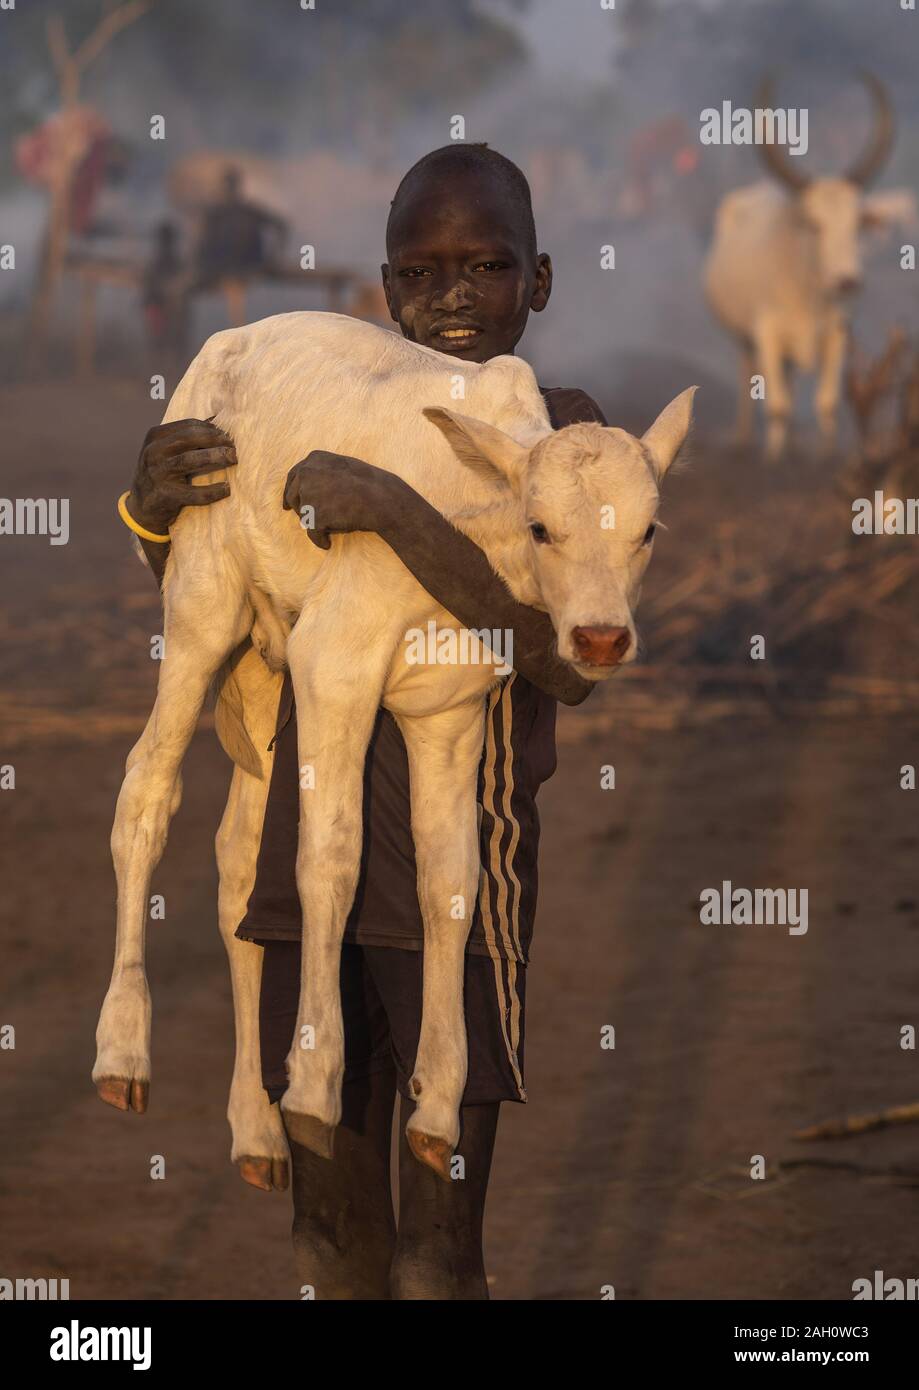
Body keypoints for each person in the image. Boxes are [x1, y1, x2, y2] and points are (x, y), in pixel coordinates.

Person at [121, 143, 607, 1300]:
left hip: (457, 890)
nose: (452, 296)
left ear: (537, 285)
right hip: (306, 884)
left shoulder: (566, 442)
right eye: (420, 272)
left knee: (436, 1252)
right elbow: (232, 608)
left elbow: (561, 660)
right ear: (382, 296)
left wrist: (390, 506)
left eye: (486, 266)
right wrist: (154, 511)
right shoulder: (332, 417)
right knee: (331, 1238)